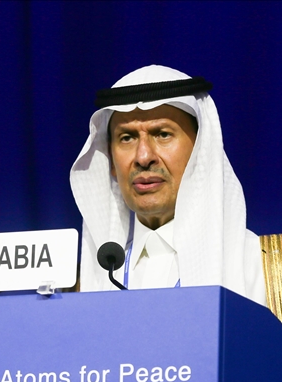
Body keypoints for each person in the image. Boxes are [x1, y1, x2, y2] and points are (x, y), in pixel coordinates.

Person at [70, 65, 266, 305]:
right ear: (110, 161)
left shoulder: (258, 266)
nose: (143, 157)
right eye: (127, 137)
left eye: (162, 134)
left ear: (200, 151)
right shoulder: (89, 283)